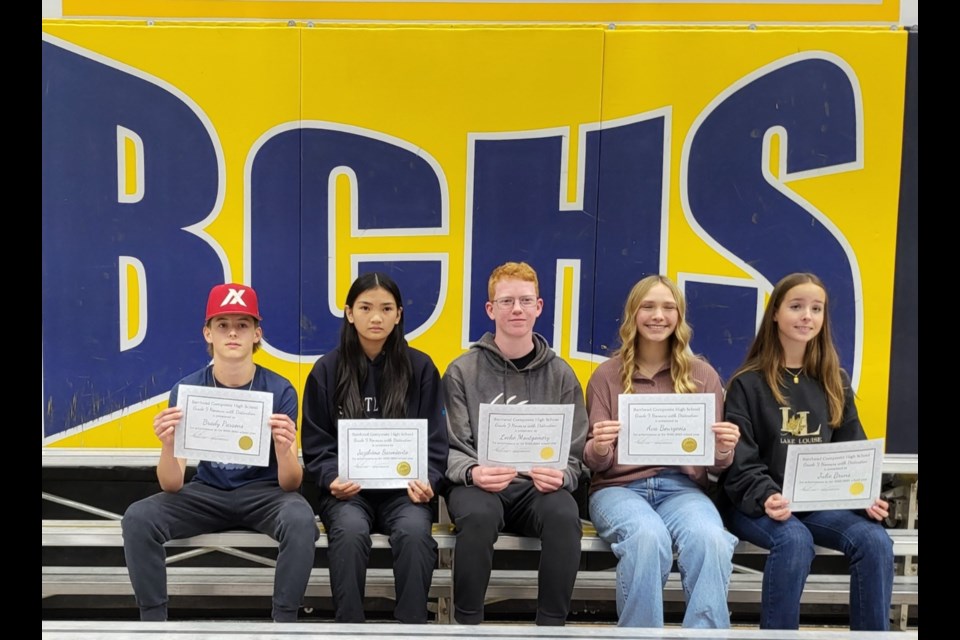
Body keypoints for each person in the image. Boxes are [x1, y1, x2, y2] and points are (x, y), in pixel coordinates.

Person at [121, 282, 318, 622]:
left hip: (265, 494)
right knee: (138, 518)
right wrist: (168, 445)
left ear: (257, 334)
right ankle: (153, 623)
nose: (232, 333)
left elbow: (290, 484)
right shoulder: (187, 389)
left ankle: (285, 623)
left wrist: (286, 450)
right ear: (207, 333)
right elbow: (170, 484)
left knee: (301, 520)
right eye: (222, 325)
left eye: (242, 325)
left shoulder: (280, 389)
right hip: (207, 492)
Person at [721, 272, 894, 630]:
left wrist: (865, 493)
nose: (807, 316)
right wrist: (767, 496)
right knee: (795, 540)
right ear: (775, 314)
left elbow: (852, 448)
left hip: (816, 504)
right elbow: (742, 462)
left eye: (816, 309)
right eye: (796, 306)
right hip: (757, 505)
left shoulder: (834, 379)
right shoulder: (747, 383)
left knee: (874, 540)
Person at [584, 275, 740, 628]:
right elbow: (595, 462)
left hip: (681, 489)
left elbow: (715, 463)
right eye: (648, 306)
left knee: (711, 539)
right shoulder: (607, 375)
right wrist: (599, 446)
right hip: (617, 489)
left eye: (668, 307)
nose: (658, 315)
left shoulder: (703, 375)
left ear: (680, 316)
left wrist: (725, 449)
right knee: (646, 537)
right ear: (632, 315)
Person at [444, 261, 588, 626]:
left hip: (536, 487)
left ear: (539, 307)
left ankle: (552, 627)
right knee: (478, 515)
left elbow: (575, 449)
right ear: (490, 309)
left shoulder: (561, 375)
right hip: (481, 485)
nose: (517, 309)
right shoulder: (462, 371)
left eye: (526, 301)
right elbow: (452, 445)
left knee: (564, 514)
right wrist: (473, 472)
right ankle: (467, 625)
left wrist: (564, 476)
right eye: (506, 301)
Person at [301, 272, 448, 624]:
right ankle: (349, 627)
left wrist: (428, 479)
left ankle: (412, 628)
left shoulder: (421, 368)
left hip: (404, 493)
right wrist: (332, 478)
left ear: (399, 314)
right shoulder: (326, 370)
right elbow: (316, 442)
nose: (376, 317)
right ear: (350, 313)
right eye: (366, 307)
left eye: (386, 308)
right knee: (349, 534)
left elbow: (437, 441)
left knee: (414, 535)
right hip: (349, 492)